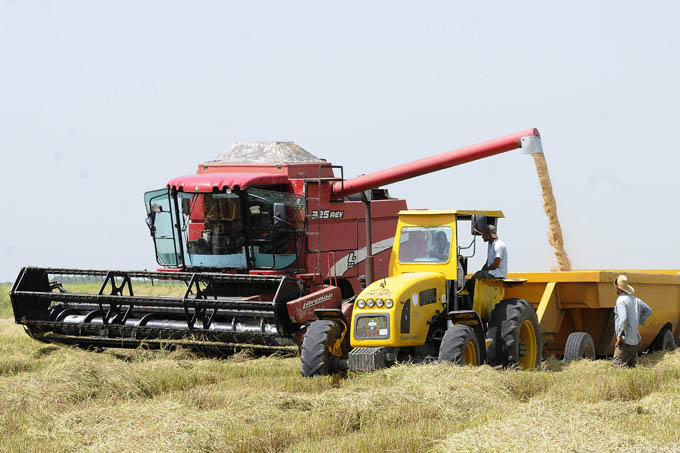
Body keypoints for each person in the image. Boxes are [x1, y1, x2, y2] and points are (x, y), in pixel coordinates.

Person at [611, 274, 652, 367]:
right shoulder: (636, 299)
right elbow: (648, 310)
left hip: (626, 341)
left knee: (616, 366)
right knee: (630, 367)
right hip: (635, 340)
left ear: (618, 288)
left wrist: (620, 336)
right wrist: (640, 322)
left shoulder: (621, 300)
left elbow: (624, 319)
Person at [463, 224, 508, 308]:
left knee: (472, 281)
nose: (482, 237)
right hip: (492, 271)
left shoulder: (498, 245)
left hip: (497, 273)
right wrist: (481, 270)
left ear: (489, 234)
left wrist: (485, 270)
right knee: (473, 278)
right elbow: (488, 262)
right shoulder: (491, 245)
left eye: (483, 234)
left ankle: (472, 305)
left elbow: (496, 263)